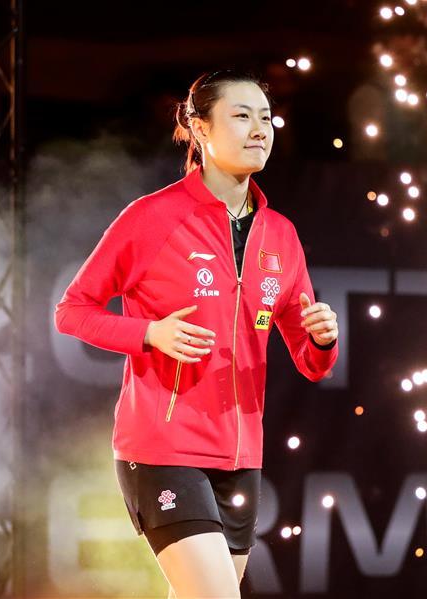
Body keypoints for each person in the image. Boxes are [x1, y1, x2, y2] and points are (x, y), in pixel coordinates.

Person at [54, 70, 340, 598]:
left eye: (265, 117)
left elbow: (310, 359)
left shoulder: (281, 234)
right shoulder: (151, 218)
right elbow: (73, 311)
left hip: (240, 459)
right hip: (164, 449)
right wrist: (148, 334)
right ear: (200, 128)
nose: (260, 129)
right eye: (241, 115)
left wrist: (321, 338)